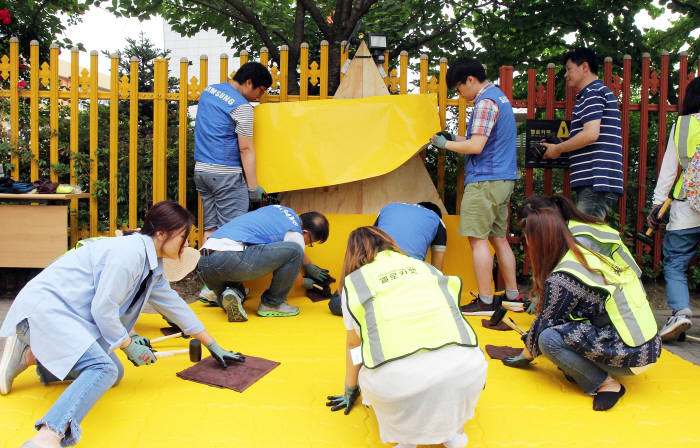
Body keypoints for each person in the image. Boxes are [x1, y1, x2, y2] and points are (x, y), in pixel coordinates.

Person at [0, 201, 244, 448]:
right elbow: (103, 309)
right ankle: (48, 435)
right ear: (161, 233)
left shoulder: (152, 265)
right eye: (183, 236)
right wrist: (128, 344)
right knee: (102, 369)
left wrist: (212, 344)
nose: (187, 244)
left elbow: (174, 305)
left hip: (67, 318)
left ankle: (32, 357)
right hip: (43, 313)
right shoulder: (128, 255)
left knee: (113, 372)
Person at [327, 226, 487, 448]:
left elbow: (354, 347)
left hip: (397, 383)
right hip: (469, 369)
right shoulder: (426, 268)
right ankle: (452, 433)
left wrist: (350, 389)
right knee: (442, 371)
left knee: (367, 357)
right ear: (389, 243)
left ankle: (406, 439)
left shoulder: (354, 283)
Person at [502, 206, 661, 411]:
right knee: (563, 328)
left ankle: (606, 384)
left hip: (631, 356)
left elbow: (545, 324)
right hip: (650, 347)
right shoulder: (587, 254)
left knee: (548, 340)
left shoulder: (564, 276)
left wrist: (524, 356)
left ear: (541, 242)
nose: (527, 244)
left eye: (527, 238)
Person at [430, 56, 524, 316]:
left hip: (485, 180)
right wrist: (452, 138)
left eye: (459, 89)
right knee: (499, 239)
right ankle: (512, 296)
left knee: (478, 241)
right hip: (502, 179)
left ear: (469, 80)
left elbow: (475, 147)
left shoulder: (484, 104)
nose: (461, 96)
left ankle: (484, 301)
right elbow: (479, 140)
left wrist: (444, 145)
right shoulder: (499, 98)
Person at [194, 62, 272, 304]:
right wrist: (252, 188)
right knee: (233, 232)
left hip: (202, 170)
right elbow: (246, 148)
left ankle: (208, 284)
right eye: (260, 90)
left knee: (211, 228)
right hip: (226, 173)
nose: (260, 96)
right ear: (249, 83)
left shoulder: (209, 91)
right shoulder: (242, 107)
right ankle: (230, 287)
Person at [196, 205, 330, 321]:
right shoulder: (296, 235)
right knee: (296, 251)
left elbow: (288, 243)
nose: (308, 245)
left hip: (204, 262)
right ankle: (272, 304)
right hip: (231, 258)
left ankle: (222, 294)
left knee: (235, 293)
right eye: (310, 243)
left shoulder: (280, 210)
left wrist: (308, 265)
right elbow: (295, 251)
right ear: (305, 232)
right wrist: (305, 283)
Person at [539, 47, 624, 220]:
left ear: (584, 67)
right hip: (596, 181)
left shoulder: (592, 92)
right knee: (588, 238)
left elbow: (591, 134)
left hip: (595, 181)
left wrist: (558, 148)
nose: (566, 75)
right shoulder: (598, 92)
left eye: (569, 69)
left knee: (584, 239)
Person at [647, 77, 700, 342]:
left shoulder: (683, 125)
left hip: (686, 206)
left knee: (676, 264)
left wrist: (658, 203)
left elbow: (670, 169)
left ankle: (681, 313)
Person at [327, 201, 447, 316]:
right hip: (403, 283)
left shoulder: (388, 208)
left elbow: (367, 242)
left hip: (371, 272)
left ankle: (365, 307)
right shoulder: (437, 221)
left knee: (336, 303)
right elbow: (437, 273)